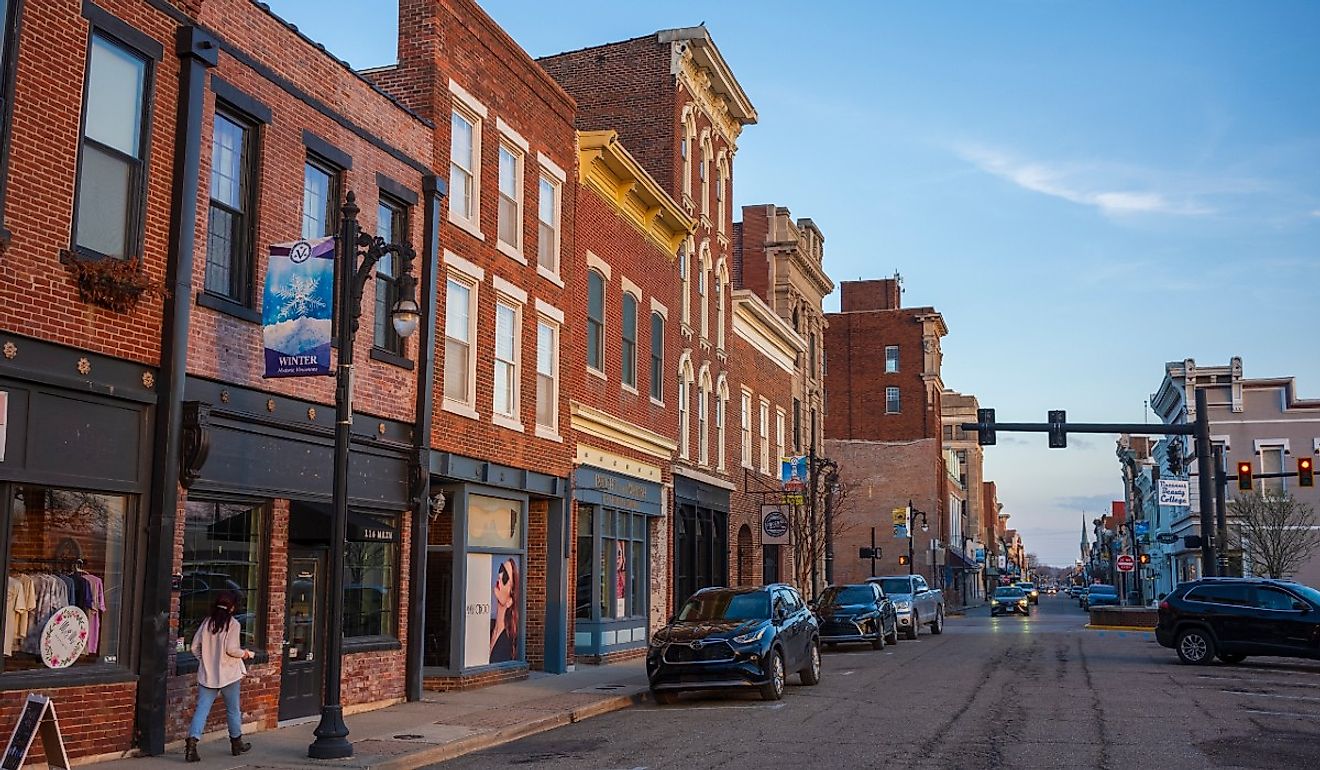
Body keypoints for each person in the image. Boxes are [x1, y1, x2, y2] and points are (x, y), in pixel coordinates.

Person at [185, 591, 255, 762]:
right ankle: (236, 743)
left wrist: (205, 660)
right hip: (228, 674)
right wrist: (245, 653)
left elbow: (194, 647)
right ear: (232, 607)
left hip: (208, 675)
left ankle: (192, 743)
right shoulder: (233, 624)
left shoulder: (207, 622)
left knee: (202, 710)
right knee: (232, 710)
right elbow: (231, 649)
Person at [489, 557, 519, 662]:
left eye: (505, 576)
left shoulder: (510, 639)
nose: (500, 576)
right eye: (500, 570)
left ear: (510, 601)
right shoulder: (486, 630)